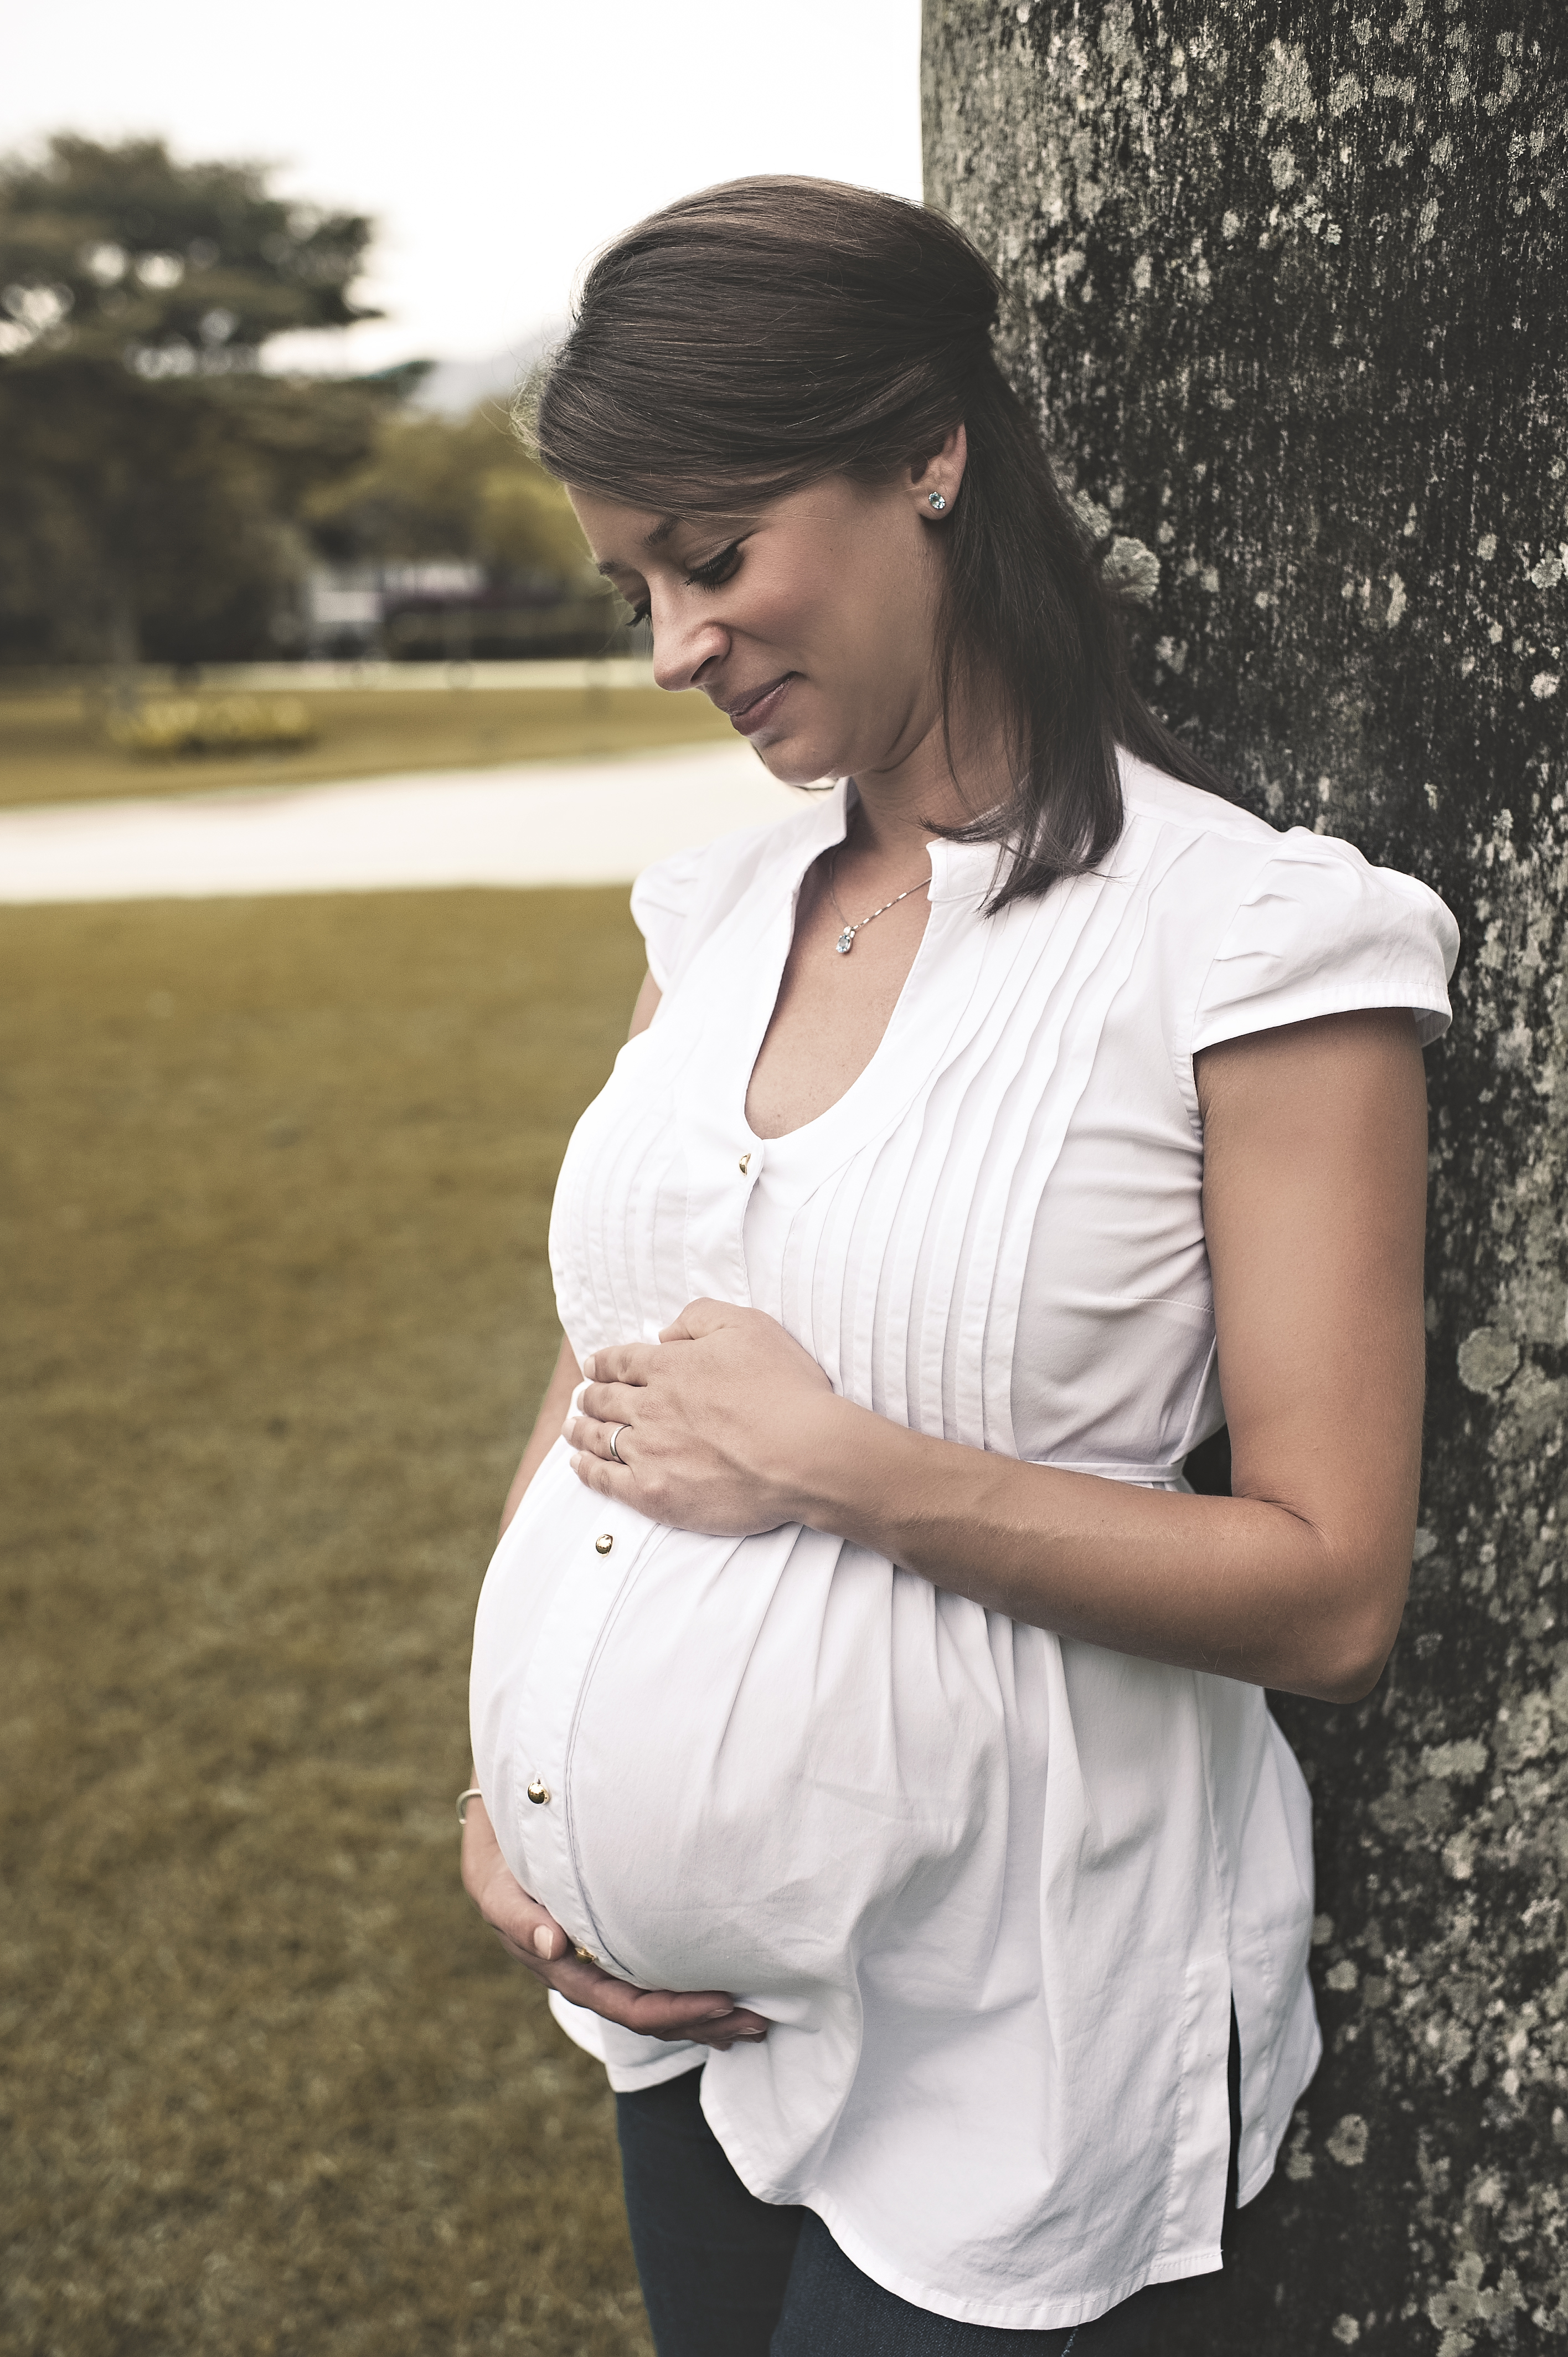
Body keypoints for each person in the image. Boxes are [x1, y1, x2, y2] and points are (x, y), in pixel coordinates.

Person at [460, 178, 1458, 2354]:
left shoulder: (1258, 942)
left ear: (929, 448)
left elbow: (1331, 1585)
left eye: (712, 559)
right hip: (676, 2007)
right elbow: (608, 1359)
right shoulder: (711, 911)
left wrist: (843, 1463)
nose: (671, 647)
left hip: (1022, 2028)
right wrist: (515, 1796)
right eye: (632, 584)